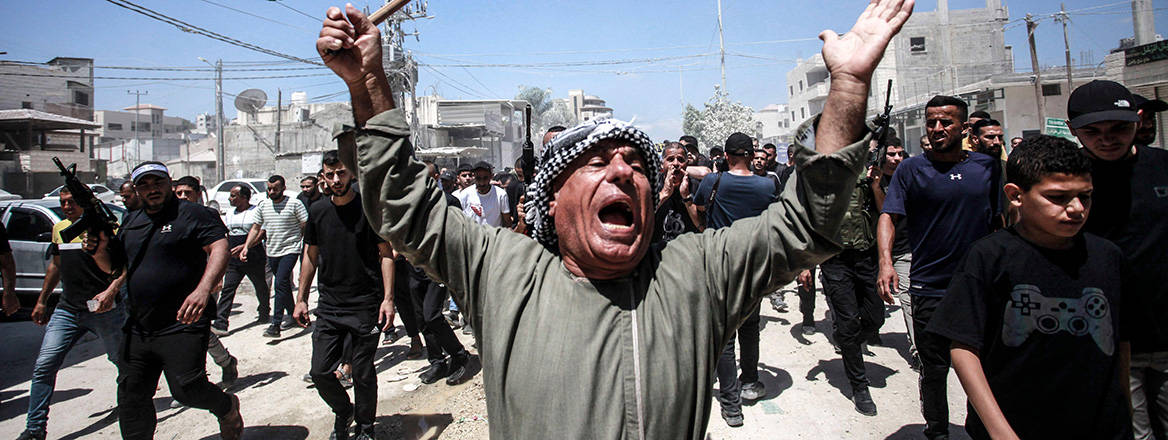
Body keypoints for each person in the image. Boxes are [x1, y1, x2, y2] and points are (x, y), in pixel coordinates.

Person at [315, 0, 910, 437]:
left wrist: (849, 86)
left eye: (635, 162)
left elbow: (810, 221)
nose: (623, 171)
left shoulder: (698, 273)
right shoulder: (502, 270)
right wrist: (368, 80)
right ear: (551, 199)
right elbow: (404, 206)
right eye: (596, 162)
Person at [929, 135, 1133, 440]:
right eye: (1058, 197)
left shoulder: (1107, 256)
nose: (1076, 209)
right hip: (1017, 425)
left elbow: (1122, 342)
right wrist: (1000, 432)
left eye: (1085, 196)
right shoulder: (989, 257)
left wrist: (1125, 410)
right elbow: (963, 346)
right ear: (1015, 195)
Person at [877, 95, 1004, 440]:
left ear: (964, 128)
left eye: (945, 122)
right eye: (931, 122)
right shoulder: (910, 169)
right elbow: (889, 216)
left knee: (985, 367)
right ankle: (937, 431)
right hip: (928, 287)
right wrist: (886, 262)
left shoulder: (988, 168)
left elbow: (1003, 222)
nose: (936, 129)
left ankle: (980, 430)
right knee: (934, 369)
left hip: (979, 288)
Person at [87, 161, 242, 440]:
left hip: (183, 321)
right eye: (144, 185)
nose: (152, 189)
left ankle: (227, 406)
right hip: (138, 325)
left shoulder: (194, 214)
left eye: (157, 182)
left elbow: (220, 247)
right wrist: (99, 254)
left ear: (168, 183)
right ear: (136, 190)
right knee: (131, 395)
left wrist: (203, 289)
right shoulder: (131, 222)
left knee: (188, 389)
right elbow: (119, 268)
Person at [1069, 80, 1168, 440]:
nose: (1107, 139)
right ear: (1073, 131)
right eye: (1093, 131)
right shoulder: (1066, 178)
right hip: (1106, 338)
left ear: (1138, 121)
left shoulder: (1163, 166)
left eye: (1119, 129)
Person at [293, 150, 394, 440]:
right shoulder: (317, 211)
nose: (336, 179)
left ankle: (365, 427)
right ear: (323, 178)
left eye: (341, 173)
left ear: (351, 173)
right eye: (330, 174)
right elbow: (310, 255)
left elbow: (385, 253)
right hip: (329, 305)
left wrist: (388, 299)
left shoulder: (369, 208)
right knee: (320, 372)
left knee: (362, 372)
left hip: (365, 304)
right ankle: (343, 410)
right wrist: (301, 298)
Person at [18, 188, 127, 440]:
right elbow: (55, 266)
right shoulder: (60, 229)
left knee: (123, 362)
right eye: (62, 202)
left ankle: (129, 405)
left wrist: (112, 291)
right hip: (67, 308)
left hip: (104, 309)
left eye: (71, 202)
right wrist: (43, 301)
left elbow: (123, 268)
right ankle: (35, 428)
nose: (66, 206)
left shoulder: (105, 228)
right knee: (44, 366)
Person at [693, 132, 781, 426]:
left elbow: (700, 212)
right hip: (753, 267)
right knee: (750, 327)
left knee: (725, 338)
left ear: (726, 156)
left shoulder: (712, 182)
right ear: (751, 155)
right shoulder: (767, 186)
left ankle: (731, 405)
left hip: (721, 265)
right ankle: (751, 382)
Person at [819, 159, 886, 416]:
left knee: (874, 317)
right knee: (848, 322)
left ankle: (848, 342)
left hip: (865, 256)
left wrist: (876, 183)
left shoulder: (867, 172)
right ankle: (860, 386)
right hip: (834, 260)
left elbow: (883, 210)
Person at [242, 175, 308, 338]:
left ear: (283, 188)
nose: (271, 192)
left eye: (275, 189)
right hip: (272, 250)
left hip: (291, 249)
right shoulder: (263, 205)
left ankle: (276, 324)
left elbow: (305, 225)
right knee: (283, 285)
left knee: (279, 283)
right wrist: (246, 247)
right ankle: (295, 314)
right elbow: (256, 228)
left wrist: (304, 243)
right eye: (269, 189)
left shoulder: (294, 204)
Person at [870, 140, 916, 368]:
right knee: (879, 304)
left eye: (900, 153)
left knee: (912, 300)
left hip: (911, 247)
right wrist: (876, 185)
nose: (897, 158)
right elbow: (885, 212)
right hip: (884, 251)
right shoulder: (873, 181)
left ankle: (918, 348)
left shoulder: (911, 176)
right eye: (891, 154)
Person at [214, 184, 270, 331]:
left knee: (260, 286)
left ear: (244, 197)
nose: (230, 198)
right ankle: (221, 322)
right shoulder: (230, 213)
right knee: (228, 288)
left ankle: (264, 311)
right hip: (234, 258)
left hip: (253, 255)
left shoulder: (255, 212)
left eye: (233, 195)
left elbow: (261, 233)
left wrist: (246, 246)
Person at [654, 142, 703, 243]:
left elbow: (703, 227)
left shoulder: (696, 187)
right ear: (662, 163)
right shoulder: (653, 185)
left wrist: (687, 198)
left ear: (687, 163)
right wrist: (664, 194)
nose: (676, 164)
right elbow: (641, 218)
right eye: (670, 159)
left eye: (680, 160)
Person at [457, 161, 512, 228]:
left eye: (485, 178)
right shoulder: (464, 195)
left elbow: (507, 221)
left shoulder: (501, 195)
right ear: (474, 176)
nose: (482, 183)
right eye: (478, 178)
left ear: (491, 176)